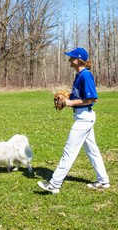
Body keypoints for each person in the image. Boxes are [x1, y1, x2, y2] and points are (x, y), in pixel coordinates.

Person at [38, 47, 110, 194]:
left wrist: (71, 103)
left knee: (69, 151)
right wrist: (68, 96)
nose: (70, 60)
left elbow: (93, 98)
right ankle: (103, 180)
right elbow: (79, 95)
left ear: (79, 60)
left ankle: (54, 184)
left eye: (72, 58)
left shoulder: (85, 75)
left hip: (84, 118)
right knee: (92, 151)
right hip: (82, 116)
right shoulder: (79, 75)